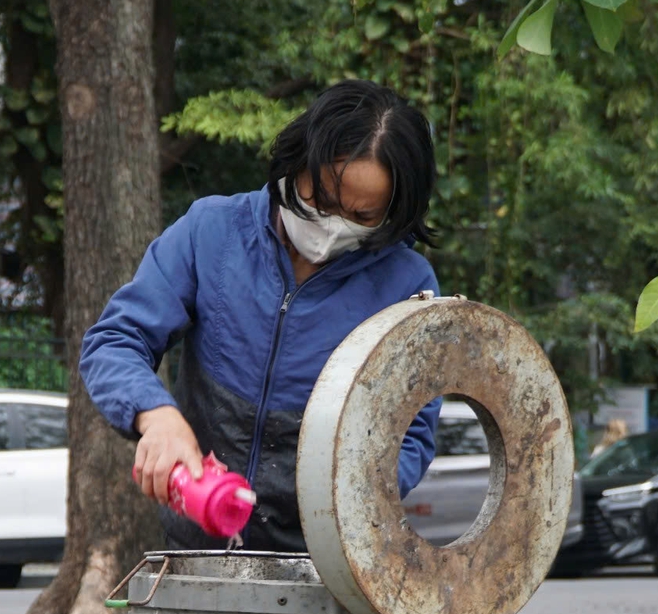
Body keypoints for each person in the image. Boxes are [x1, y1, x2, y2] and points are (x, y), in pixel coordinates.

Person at [81, 79, 441, 551]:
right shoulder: (209, 232)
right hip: (192, 547)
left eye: (363, 215)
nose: (333, 225)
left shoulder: (407, 287)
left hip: (323, 568)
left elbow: (411, 434)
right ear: (296, 162)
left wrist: (341, 495)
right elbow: (116, 340)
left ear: (394, 212)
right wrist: (157, 415)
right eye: (321, 200)